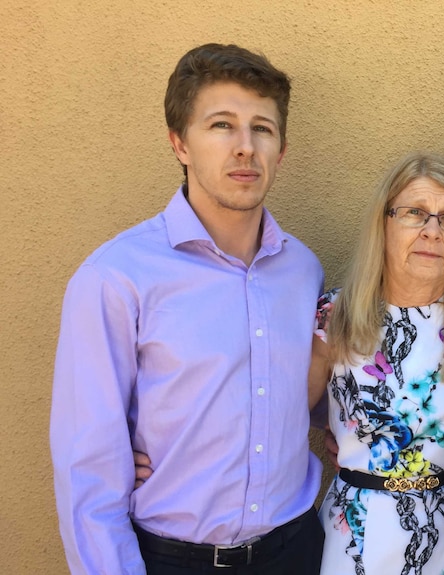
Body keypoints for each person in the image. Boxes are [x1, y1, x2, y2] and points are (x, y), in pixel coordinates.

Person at [50, 43, 324, 574]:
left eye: (262, 129)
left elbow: (306, 399)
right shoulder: (116, 278)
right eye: (221, 125)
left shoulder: (303, 270)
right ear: (180, 143)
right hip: (172, 560)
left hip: (294, 553)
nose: (245, 148)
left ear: (282, 150)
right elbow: (88, 478)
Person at [309, 152, 444, 574]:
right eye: (415, 213)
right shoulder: (336, 316)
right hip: (358, 539)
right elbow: (283, 418)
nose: (432, 231)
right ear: (384, 223)